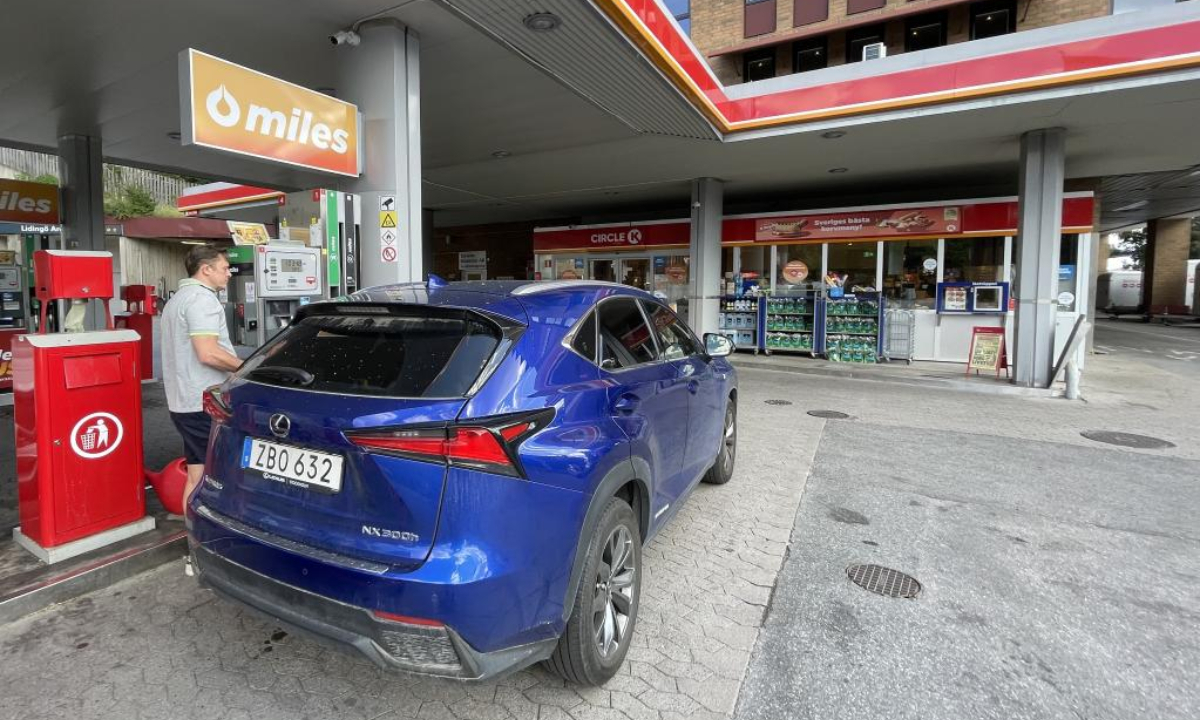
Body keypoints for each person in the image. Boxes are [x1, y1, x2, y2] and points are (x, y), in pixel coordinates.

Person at [161, 245, 242, 510]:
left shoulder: (177, 300)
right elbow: (208, 353)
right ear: (206, 269)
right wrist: (248, 368)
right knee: (224, 476)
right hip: (204, 403)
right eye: (224, 268)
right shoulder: (201, 300)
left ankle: (191, 536)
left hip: (183, 402)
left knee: (197, 475)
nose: (229, 273)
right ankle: (214, 534)